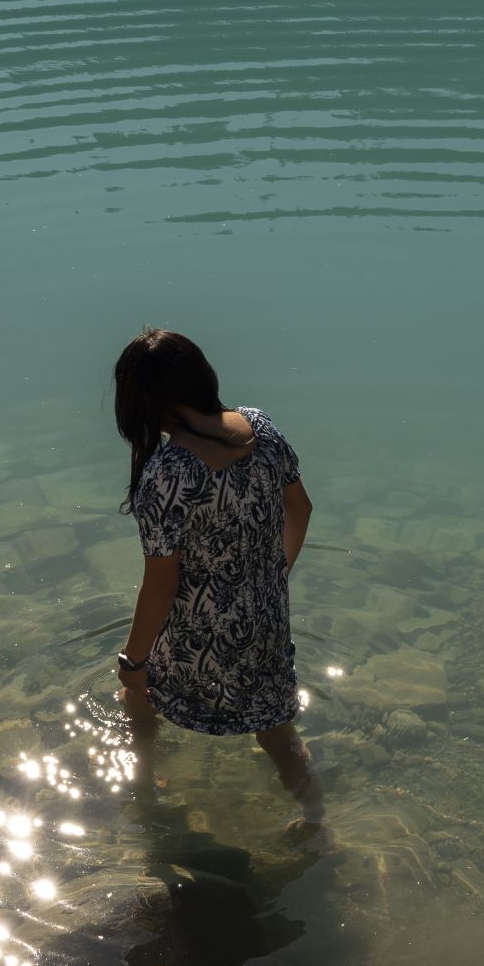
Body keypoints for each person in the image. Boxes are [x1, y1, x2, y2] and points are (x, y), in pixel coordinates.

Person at [111, 327, 320, 825]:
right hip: (266, 627)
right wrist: (272, 576)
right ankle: (317, 821)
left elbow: (161, 586)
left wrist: (133, 660)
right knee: (276, 730)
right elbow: (302, 509)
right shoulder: (261, 429)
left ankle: (143, 785)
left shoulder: (168, 474)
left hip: (198, 643)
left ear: (145, 402)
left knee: (137, 692)